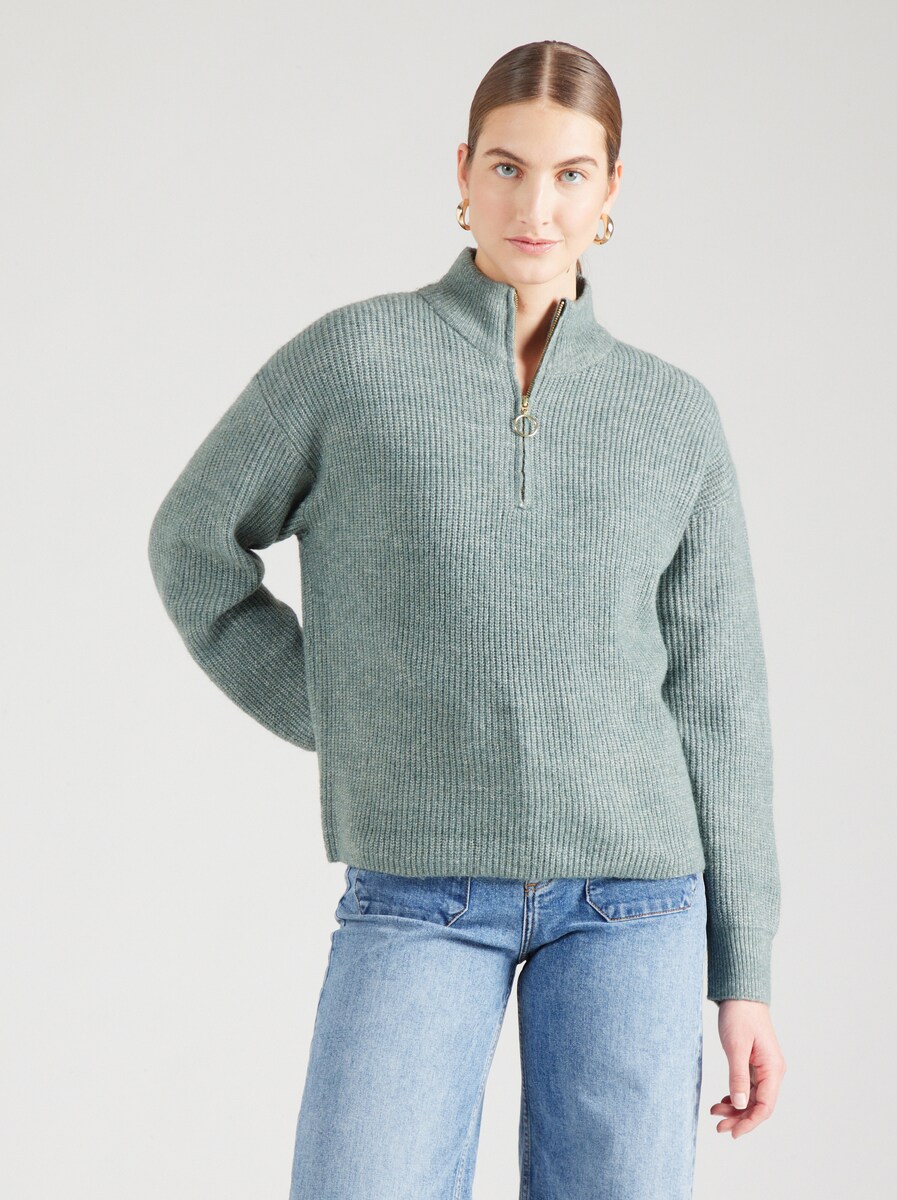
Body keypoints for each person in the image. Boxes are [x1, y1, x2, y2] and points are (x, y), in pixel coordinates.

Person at [147, 39, 787, 1200]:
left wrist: (745, 972)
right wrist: (338, 711)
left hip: (636, 901)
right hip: (416, 888)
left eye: (571, 174)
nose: (536, 208)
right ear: (463, 170)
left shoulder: (673, 416)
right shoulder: (353, 364)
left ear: (612, 189)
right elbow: (193, 543)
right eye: (508, 168)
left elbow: (719, 698)